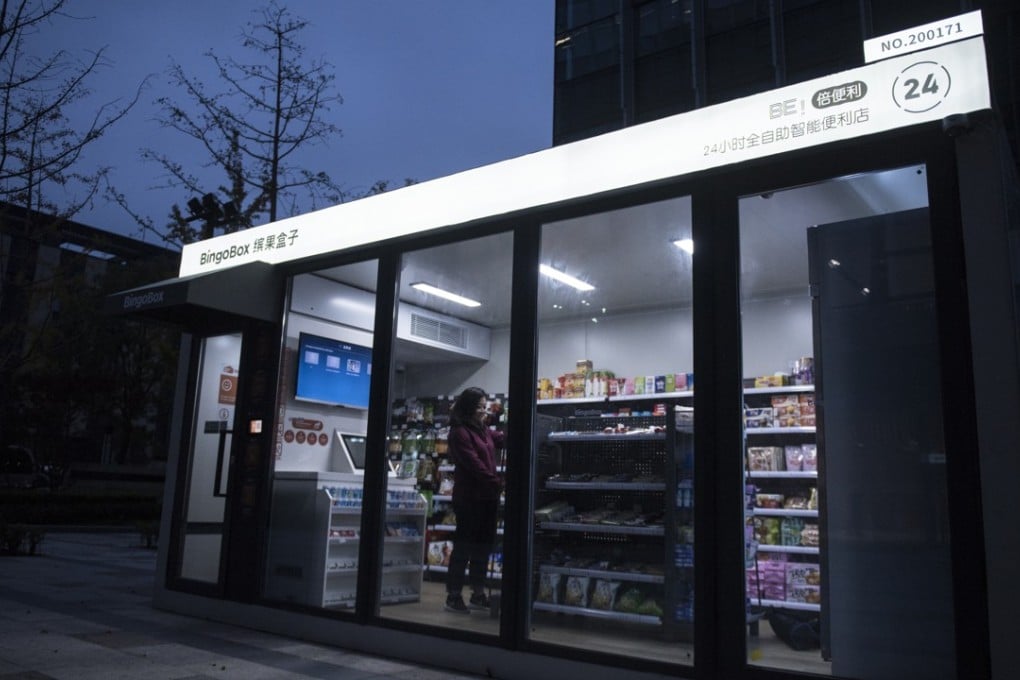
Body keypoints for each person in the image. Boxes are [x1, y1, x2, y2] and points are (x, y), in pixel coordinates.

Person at [443, 386, 504, 614]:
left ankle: (478, 594)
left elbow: (500, 439)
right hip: (469, 499)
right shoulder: (459, 433)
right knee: (464, 547)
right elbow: (473, 465)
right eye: (480, 407)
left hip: (487, 497)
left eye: (485, 407)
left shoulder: (482, 430)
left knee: (483, 547)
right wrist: (496, 481)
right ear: (468, 407)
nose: (483, 411)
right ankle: (453, 596)